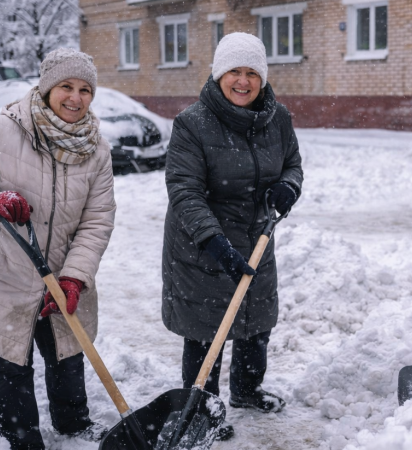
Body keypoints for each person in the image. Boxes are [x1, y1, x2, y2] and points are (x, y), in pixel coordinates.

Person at [0, 48, 116, 449]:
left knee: (67, 351)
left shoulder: (97, 150)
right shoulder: (5, 130)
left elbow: (97, 221)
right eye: (66, 87)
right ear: (46, 88)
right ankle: (21, 437)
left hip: (61, 271)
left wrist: (75, 277)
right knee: (11, 359)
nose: (76, 98)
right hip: (4, 269)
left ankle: (73, 422)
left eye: (85, 90)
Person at [161, 32, 303, 441]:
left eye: (252, 73)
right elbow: (184, 189)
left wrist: (288, 187)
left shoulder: (278, 118)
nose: (243, 81)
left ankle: (246, 389)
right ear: (219, 73)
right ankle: (204, 407)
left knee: (256, 318)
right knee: (207, 326)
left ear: (262, 77)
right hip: (202, 240)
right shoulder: (193, 123)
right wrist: (213, 240)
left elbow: (292, 163)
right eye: (234, 72)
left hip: (257, 234)